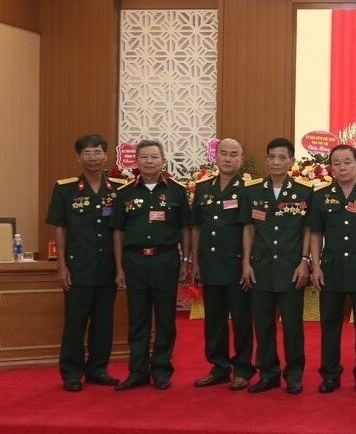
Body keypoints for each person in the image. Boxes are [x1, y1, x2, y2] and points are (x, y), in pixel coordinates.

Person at [46, 134, 128, 391]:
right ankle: (71, 373)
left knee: (103, 323)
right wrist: (61, 266)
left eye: (98, 152)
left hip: (107, 267)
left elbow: (121, 230)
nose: (93, 158)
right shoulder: (65, 188)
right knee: (75, 322)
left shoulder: (119, 188)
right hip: (78, 267)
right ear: (79, 157)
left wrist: (120, 267)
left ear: (106, 156)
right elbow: (60, 228)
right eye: (87, 153)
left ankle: (97, 370)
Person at [111, 139, 189, 391]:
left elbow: (185, 229)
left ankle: (162, 370)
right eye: (144, 157)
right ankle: (138, 372)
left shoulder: (177, 191)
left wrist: (186, 260)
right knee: (137, 319)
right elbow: (118, 232)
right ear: (136, 161)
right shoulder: (125, 192)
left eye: (154, 157)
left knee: (165, 318)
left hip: (165, 260)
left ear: (163, 160)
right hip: (134, 262)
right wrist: (119, 266)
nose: (149, 161)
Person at [241, 137, 314, 394]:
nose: (276, 162)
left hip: (291, 269)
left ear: (291, 161)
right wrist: (246, 263)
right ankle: (268, 374)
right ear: (266, 160)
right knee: (263, 325)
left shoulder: (304, 192)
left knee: (292, 327)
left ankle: (294, 375)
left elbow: (308, 230)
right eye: (272, 157)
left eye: (282, 157)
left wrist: (305, 261)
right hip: (260, 268)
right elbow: (249, 229)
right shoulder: (252, 192)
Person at [309, 144, 356, 394]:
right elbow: (316, 233)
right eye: (336, 163)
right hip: (331, 269)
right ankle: (330, 375)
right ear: (331, 166)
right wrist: (315, 265)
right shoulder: (321, 196)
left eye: (347, 162)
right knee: (330, 324)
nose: (342, 167)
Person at [189, 138, 255, 391]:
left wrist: (247, 263)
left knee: (241, 320)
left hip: (237, 265)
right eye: (223, 153)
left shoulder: (248, 189)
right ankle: (219, 367)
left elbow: (249, 228)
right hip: (210, 264)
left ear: (242, 159)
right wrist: (195, 261)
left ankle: (243, 369)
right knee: (214, 320)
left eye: (234, 154)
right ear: (215, 157)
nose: (228, 158)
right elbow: (197, 227)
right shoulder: (203, 188)